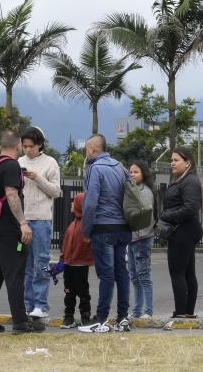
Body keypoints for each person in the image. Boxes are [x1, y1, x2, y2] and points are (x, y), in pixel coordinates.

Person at [0, 130, 45, 334]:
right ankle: (20, 322)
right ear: (17, 146)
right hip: (7, 228)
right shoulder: (11, 165)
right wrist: (23, 223)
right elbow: (11, 194)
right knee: (14, 273)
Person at [78, 134, 131, 333]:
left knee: (106, 275)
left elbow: (90, 203)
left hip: (103, 227)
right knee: (121, 273)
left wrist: (86, 229)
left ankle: (100, 318)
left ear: (92, 150)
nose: (86, 153)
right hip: (123, 228)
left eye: (86, 150)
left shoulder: (95, 169)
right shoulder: (120, 167)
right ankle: (123, 317)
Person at [19, 126, 62, 319]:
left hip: (41, 220)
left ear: (40, 145)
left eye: (31, 146)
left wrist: (37, 178)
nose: (28, 150)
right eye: (25, 146)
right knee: (24, 264)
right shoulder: (18, 161)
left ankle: (41, 305)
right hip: (22, 220)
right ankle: (27, 304)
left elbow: (56, 191)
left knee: (41, 262)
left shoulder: (50, 162)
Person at [160, 147, 203, 319]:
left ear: (187, 163)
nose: (172, 163)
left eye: (176, 160)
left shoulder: (190, 181)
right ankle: (186, 312)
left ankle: (182, 313)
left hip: (183, 231)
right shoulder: (183, 180)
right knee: (186, 272)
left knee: (178, 272)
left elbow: (191, 207)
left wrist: (167, 216)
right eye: (171, 160)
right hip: (183, 230)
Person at [127, 161, 157, 320]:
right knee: (134, 276)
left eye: (136, 172)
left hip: (141, 239)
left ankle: (148, 311)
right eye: (130, 172)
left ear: (143, 174)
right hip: (132, 239)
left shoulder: (145, 192)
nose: (132, 174)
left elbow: (148, 216)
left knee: (143, 275)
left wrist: (139, 233)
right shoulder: (133, 190)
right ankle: (137, 311)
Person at [59, 191, 93, 328]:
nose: (71, 204)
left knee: (83, 293)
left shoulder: (86, 224)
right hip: (68, 265)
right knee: (69, 293)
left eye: (75, 201)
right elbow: (66, 245)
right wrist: (62, 261)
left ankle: (85, 316)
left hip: (80, 264)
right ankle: (69, 317)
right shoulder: (72, 224)